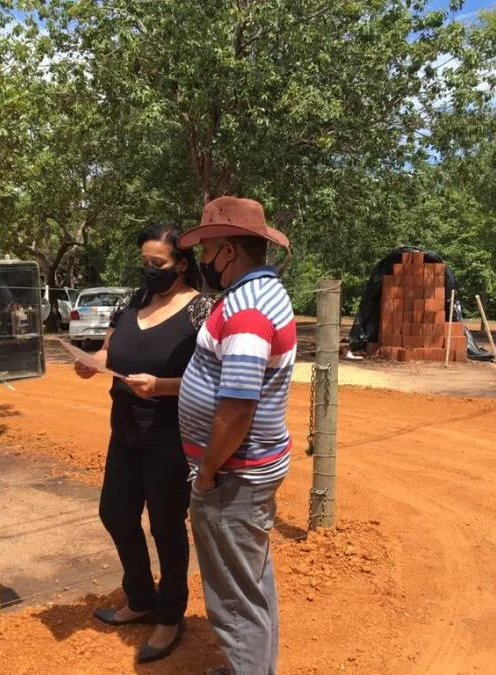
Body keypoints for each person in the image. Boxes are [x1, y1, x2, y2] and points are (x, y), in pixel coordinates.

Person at [73, 222, 213, 664]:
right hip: (126, 429)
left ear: (182, 264)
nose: (149, 271)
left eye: (158, 263)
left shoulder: (204, 310)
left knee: (167, 527)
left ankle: (170, 615)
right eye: (144, 263)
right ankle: (141, 597)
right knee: (114, 512)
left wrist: (163, 386)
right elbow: (110, 350)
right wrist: (91, 362)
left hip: (172, 436)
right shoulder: (134, 301)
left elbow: (210, 377)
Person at [176, 196, 296, 675]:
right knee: (250, 578)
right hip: (249, 469)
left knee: (231, 592)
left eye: (207, 249)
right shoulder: (262, 295)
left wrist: (206, 473)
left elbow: (238, 406)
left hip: (233, 476)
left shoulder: (247, 310)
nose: (203, 261)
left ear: (228, 250)